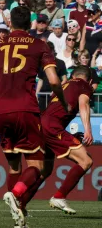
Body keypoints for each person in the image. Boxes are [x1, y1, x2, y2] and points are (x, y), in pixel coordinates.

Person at [0, 6, 68, 228]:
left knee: (14, 165)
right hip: (25, 109)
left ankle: (19, 221)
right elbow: (54, 81)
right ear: (30, 24)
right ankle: (16, 196)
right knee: (38, 166)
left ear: (11, 23)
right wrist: (63, 101)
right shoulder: (39, 45)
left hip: (0, 111)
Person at [22, 66, 94, 215]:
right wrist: (88, 129)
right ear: (90, 80)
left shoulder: (65, 85)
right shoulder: (84, 85)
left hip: (42, 125)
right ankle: (59, 196)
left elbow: (57, 113)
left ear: (73, 75)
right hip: (52, 127)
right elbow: (83, 104)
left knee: (45, 170)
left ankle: (20, 203)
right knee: (86, 161)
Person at [36, 41, 68, 111]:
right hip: (43, 95)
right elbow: (41, 80)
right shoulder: (41, 63)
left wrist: (56, 90)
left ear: (53, 50)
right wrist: (36, 93)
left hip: (56, 95)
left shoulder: (60, 63)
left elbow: (65, 79)